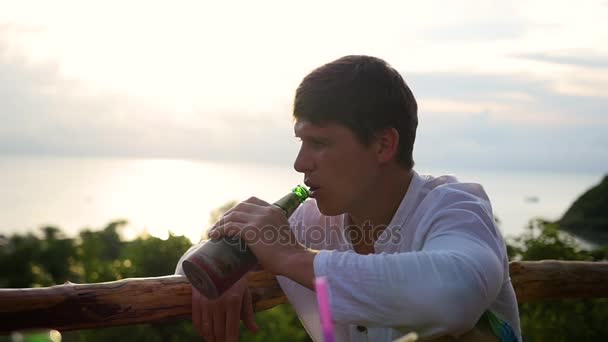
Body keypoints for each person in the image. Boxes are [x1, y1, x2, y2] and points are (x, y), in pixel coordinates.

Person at [176, 55, 522, 341]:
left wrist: (288, 257)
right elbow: (186, 267)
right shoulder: (307, 224)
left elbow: (451, 296)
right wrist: (225, 268)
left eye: (320, 144)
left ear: (383, 144)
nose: (300, 164)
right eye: (301, 141)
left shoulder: (455, 209)